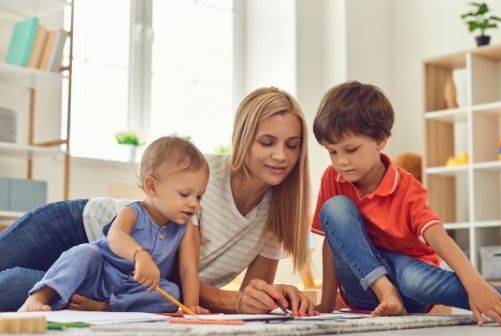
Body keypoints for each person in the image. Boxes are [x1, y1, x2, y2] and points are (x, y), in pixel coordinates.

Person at [0, 87, 316, 316]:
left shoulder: (280, 214)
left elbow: (251, 295)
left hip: (116, 280)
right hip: (79, 228)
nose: (281, 156)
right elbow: (186, 275)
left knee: (17, 291)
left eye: (292, 145)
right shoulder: (203, 179)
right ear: (243, 138)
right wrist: (229, 302)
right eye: (267, 142)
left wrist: (274, 298)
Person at [311, 80, 501, 328]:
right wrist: (326, 303)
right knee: (334, 208)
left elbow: (438, 238)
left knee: (411, 275)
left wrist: (475, 283)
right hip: (364, 289)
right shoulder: (333, 179)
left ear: (381, 140)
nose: (341, 161)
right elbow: (332, 244)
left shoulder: (406, 188)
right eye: (332, 152)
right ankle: (385, 290)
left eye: (350, 150)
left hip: (410, 288)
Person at [19, 137, 210, 313]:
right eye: (185, 194)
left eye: (199, 196)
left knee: (172, 293)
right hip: (100, 274)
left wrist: (192, 307)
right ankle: (38, 297)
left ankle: (105, 307)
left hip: (135, 289)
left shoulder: (186, 228)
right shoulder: (132, 212)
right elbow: (115, 236)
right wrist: (139, 255)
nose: (194, 203)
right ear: (152, 187)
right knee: (85, 253)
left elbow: (188, 270)